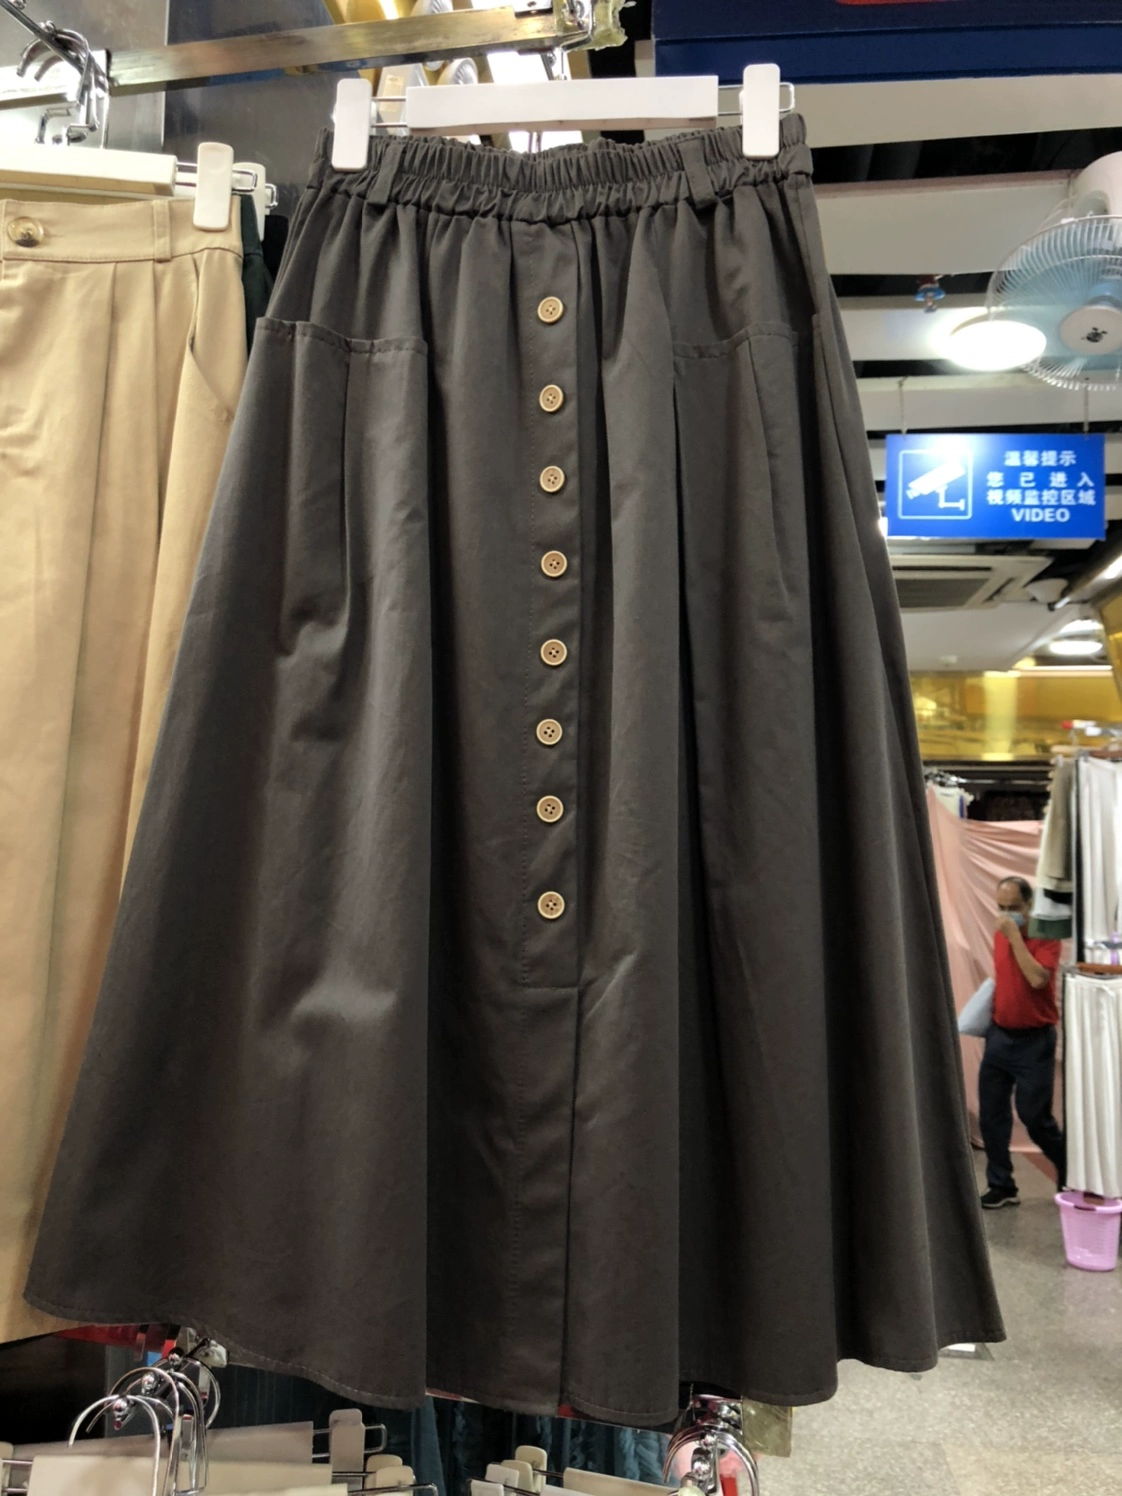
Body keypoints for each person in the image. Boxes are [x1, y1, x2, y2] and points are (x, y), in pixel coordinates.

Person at [978, 876, 1065, 1209]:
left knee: (1035, 1118)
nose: (1005, 914)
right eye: (1000, 907)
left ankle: (1070, 1171)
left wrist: (1015, 937)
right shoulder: (1000, 933)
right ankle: (1002, 1185)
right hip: (1000, 1036)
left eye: (1013, 907)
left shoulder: (1047, 935)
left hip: (1035, 1041)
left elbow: (1037, 978)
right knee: (991, 1116)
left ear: (1030, 905)